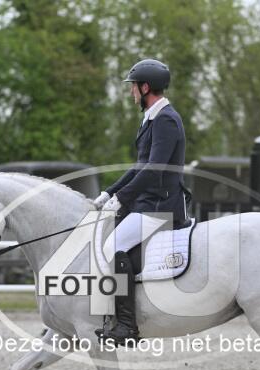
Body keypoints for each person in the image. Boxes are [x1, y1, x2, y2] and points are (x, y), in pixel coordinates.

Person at [92, 58, 189, 346]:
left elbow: (154, 170)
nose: (130, 92)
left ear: (145, 87)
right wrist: (109, 193)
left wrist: (123, 198)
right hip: (148, 202)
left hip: (161, 206)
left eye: (133, 87)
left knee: (113, 247)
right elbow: (139, 167)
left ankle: (126, 325)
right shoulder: (151, 119)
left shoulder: (166, 119)